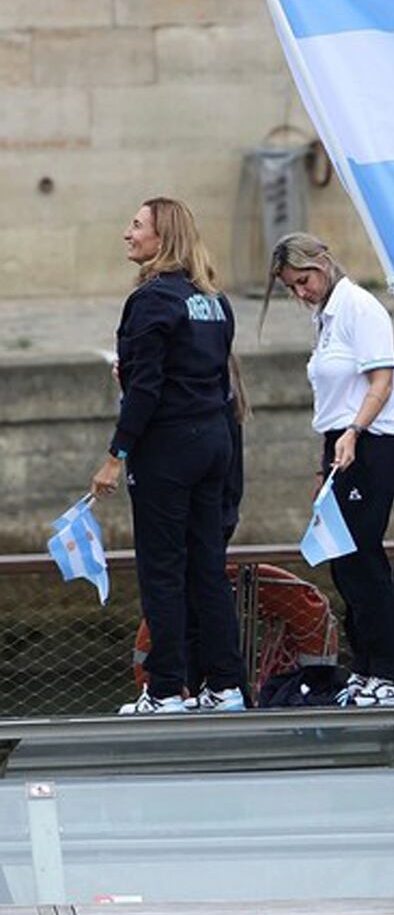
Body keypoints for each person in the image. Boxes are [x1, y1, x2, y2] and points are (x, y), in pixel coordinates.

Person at [92, 197, 247, 714]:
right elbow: (212, 377)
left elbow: (147, 388)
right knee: (207, 567)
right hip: (214, 441)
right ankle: (225, 686)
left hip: (169, 447)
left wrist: (116, 455)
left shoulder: (152, 300)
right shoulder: (213, 301)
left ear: (163, 238)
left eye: (137, 225)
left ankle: (164, 691)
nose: (127, 233)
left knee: (162, 569)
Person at [267, 232, 394, 707]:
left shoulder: (358, 308)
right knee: (345, 562)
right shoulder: (325, 317)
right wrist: (326, 460)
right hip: (341, 442)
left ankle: (393, 672)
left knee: (362, 557)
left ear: (323, 263)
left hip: (370, 441)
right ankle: (368, 666)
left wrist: (354, 430)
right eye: (292, 287)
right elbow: (333, 399)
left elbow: (381, 381)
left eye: (304, 280)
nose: (302, 292)